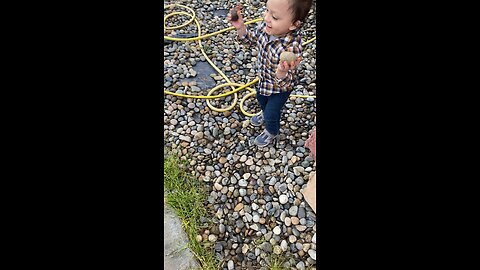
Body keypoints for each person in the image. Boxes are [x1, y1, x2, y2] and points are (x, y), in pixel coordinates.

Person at [228, 0, 313, 147]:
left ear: (294, 24)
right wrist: (240, 27)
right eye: (267, 11)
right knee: (261, 99)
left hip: (280, 89)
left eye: (275, 17)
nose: (266, 18)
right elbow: (250, 39)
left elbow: (287, 80)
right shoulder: (265, 27)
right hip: (264, 79)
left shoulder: (291, 48)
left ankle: (271, 131)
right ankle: (264, 112)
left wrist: (282, 71)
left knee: (271, 113)